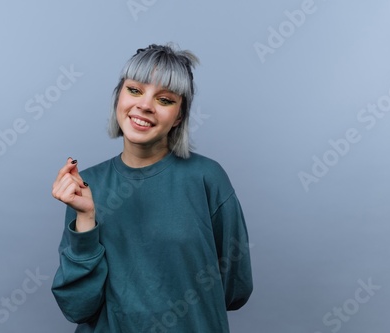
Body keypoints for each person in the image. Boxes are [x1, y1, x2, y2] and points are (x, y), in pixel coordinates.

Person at [51, 43, 253, 333]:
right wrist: (85, 218)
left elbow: (236, 288)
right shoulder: (86, 188)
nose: (144, 105)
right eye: (134, 90)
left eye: (165, 99)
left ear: (180, 116)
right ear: (118, 97)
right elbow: (77, 307)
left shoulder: (208, 178)